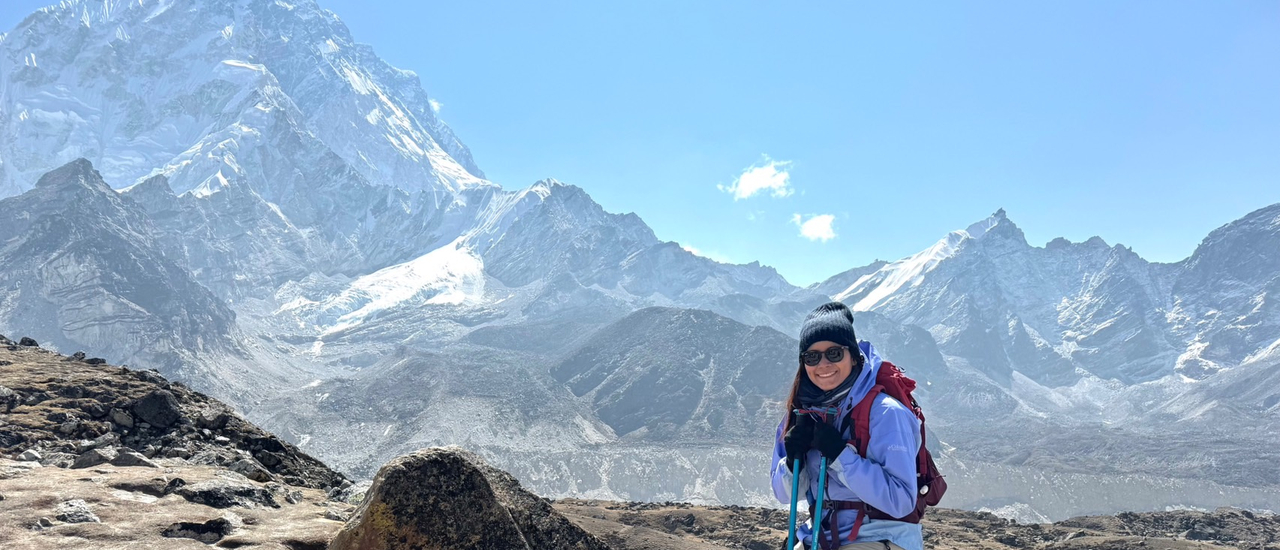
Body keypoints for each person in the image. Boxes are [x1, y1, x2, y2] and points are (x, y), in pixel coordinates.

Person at [771, 302, 923, 550]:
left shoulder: (886, 414)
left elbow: (902, 500)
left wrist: (840, 457)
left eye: (834, 353)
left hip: (881, 535)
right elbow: (784, 496)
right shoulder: (801, 414)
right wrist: (790, 462)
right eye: (812, 356)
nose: (823, 364)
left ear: (853, 356)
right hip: (822, 536)